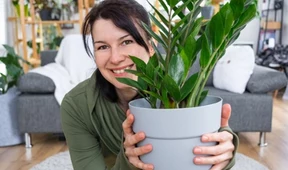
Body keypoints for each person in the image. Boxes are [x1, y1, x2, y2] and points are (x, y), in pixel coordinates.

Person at [61, 0, 238, 170]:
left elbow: (198, 147)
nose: (115, 58)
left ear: (151, 46)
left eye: (126, 42)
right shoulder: (77, 105)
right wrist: (129, 161)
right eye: (102, 47)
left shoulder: (178, 88)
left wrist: (223, 147)